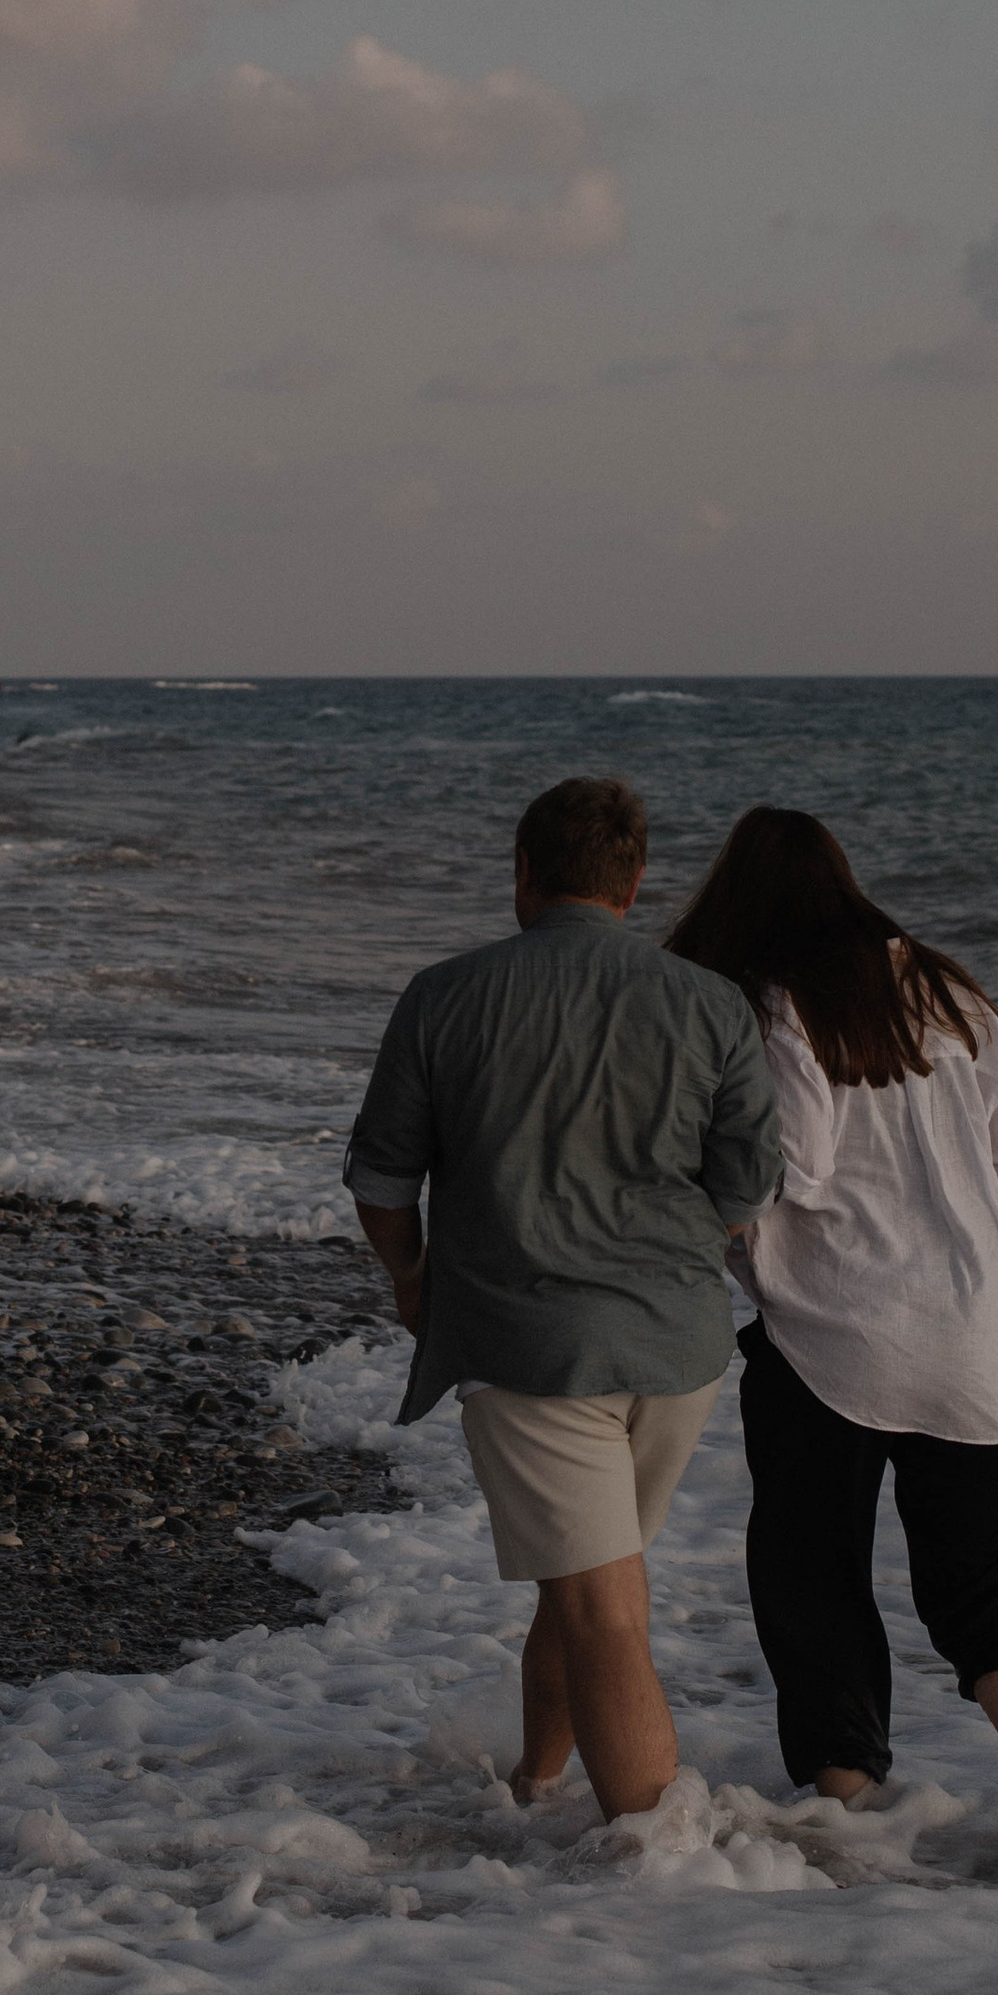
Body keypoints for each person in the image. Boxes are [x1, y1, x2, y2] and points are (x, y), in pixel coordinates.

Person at [346, 775, 783, 1822]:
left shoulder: (445, 995)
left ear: (523, 873)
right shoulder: (709, 1001)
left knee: (603, 1607)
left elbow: (380, 1182)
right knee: (588, 1577)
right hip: (678, 1351)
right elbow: (749, 1185)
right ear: (632, 885)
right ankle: (540, 1780)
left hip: (532, 1343)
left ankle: (650, 1865)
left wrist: (411, 1281)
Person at [666, 805, 998, 1865]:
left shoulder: (778, 1001)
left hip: (834, 1333)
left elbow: (792, 1168)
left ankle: (848, 1810)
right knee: (978, 1585)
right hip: (975, 1331)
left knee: (812, 1572)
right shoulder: (949, 990)